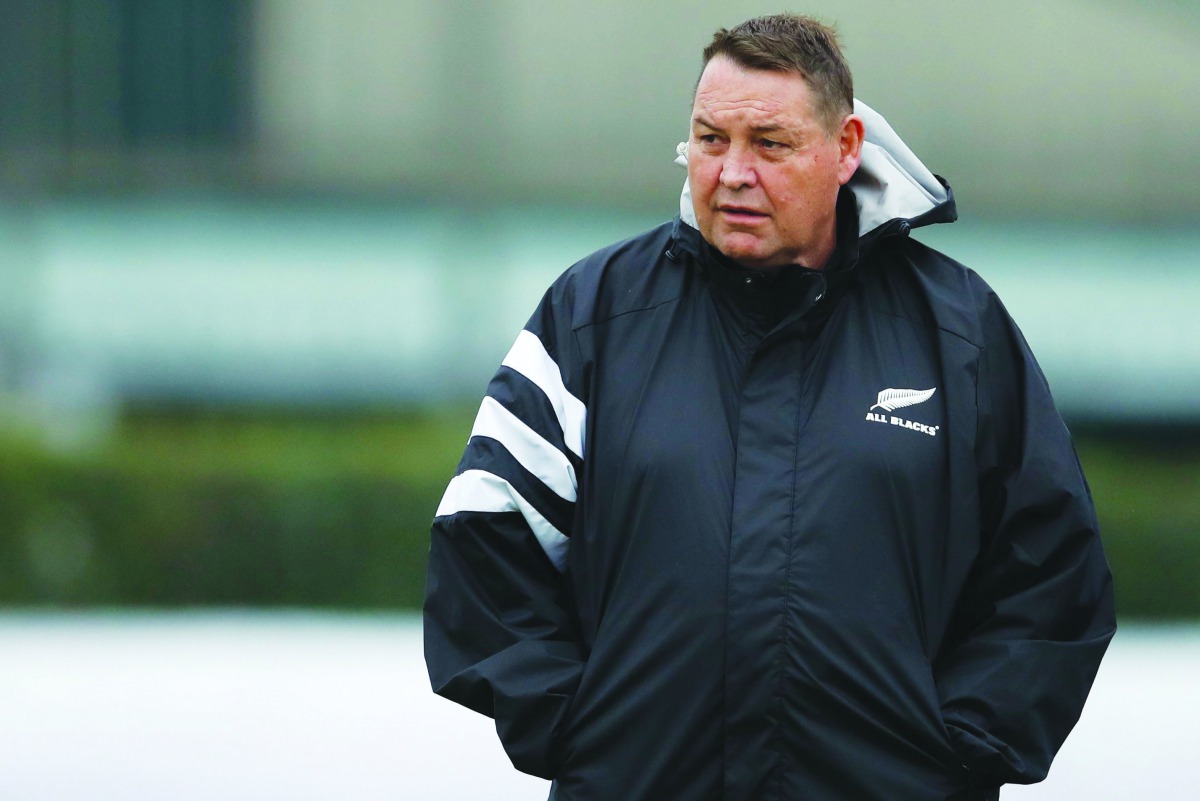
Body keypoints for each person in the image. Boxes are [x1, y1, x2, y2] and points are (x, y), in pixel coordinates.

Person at [424, 13, 1115, 801]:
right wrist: (586, 733)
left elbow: (1054, 575)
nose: (732, 173)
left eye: (770, 144)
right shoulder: (593, 317)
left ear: (846, 148)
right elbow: (485, 536)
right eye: (710, 140)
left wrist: (955, 754)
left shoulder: (958, 332)